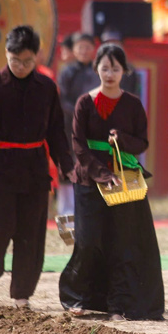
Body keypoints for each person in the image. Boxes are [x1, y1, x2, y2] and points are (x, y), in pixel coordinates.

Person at [0, 25, 73, 308]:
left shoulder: (46, 88)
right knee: (0, 225)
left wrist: (67, 166)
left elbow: (57, 132)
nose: (21, 67)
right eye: (15, 60)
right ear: (6, 54)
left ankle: (22, 294)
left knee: (30, 232)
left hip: (34, 168)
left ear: (37, 58)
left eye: (27, 61)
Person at [59, 44, 164, 321]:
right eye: (104, 67)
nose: (109, 73)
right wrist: (102, 176)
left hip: (124, 182)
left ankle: (119, 304)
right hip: (88, 179)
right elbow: (78, 147)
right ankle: (76, 297)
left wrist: (122, 141)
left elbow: (143, 141)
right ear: (96, 69)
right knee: (87, 240)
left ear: (124, 71)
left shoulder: (132, 104)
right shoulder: (84, 103)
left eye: (115, 68)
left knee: (122, 242)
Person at [56, 32, 100, 215]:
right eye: (80, 47)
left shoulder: (98, 71)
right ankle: (66, 208)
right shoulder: (66, 72)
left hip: (93, 125)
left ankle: (90, 206)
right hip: (69, 124)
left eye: (87, 47)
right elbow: (62, 98)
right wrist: (77, 112)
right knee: (68, 163)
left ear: (93, 50)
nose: (83, 51)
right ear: (73, 50)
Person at [100, 28, 141, 96]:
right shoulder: (96, 67)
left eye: (115, 43)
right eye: (108, 43)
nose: (111, 46)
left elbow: (135, 92)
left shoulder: (129, 69)